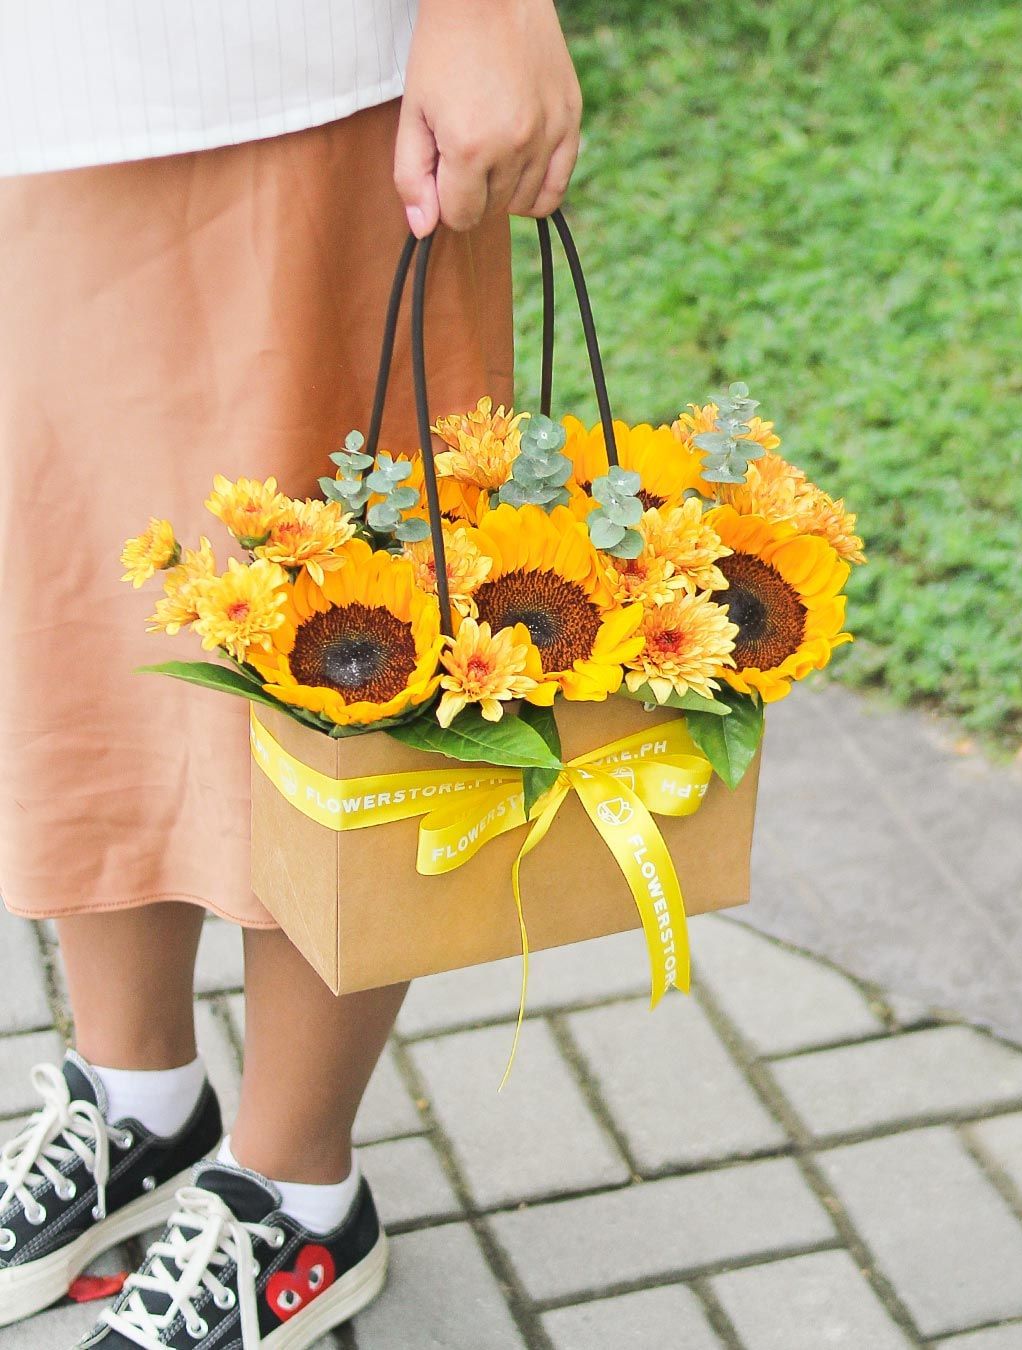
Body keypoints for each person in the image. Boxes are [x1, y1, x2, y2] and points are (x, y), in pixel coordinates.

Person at [0, 1, 581, 1345]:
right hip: (43, 87)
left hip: (314, 76)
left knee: (342, 628)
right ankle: (138, 1104)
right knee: (93, 604)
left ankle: (296, 1190)